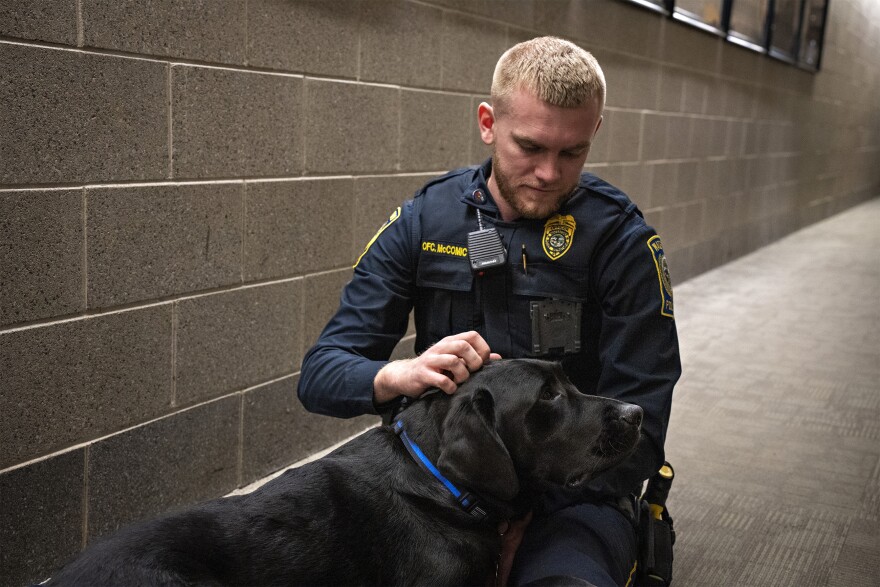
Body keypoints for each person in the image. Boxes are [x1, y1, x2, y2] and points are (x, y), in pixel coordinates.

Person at [298, 36, 681, 587]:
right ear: (487, 122)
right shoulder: (426, 222)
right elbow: (321, 374)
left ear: (594, 131)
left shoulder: (621, 242)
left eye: (571, 152)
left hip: (573, 496)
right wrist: (396, 375)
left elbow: (641, 433)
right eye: (529, 147)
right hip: (433, 488)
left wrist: (520, 512)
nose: (549, 173)